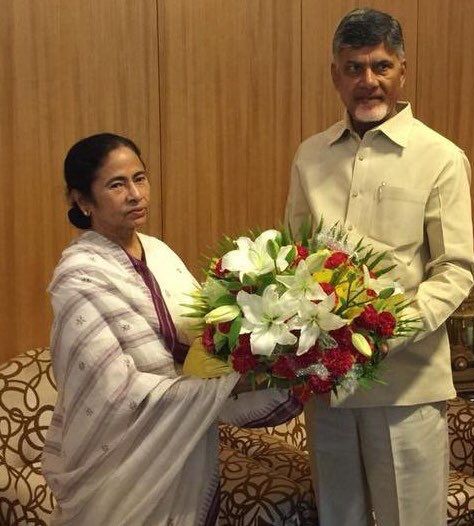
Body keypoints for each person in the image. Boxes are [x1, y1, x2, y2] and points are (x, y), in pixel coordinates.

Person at [43, 133, 301, 525]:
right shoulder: (78, 278)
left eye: (140, 178)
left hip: (182, 449)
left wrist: (277, 355)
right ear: (82, 201)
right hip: (118, 465)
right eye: (116, 185)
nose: (136, 195)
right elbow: (114, 392)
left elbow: (204, 344)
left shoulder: (160, 252)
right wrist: (227, 387)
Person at [285, 8, 474, 526]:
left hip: (406, 388)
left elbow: (455, 269)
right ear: (335, 75)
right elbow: (292, 260)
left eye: (381, 66)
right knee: (337, 518)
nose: (367, 81)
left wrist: (386, 332)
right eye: (354, 68)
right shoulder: (310, 156)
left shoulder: (440, 157)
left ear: (402, 71)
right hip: (328, 388)